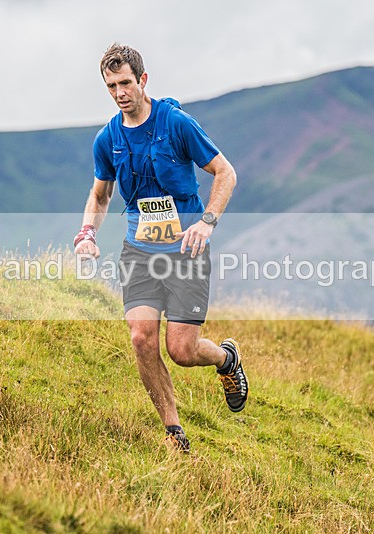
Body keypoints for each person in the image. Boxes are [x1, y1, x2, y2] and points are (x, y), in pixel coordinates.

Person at [73, 43, 248, 452]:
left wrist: (207, 222)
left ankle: (227, 360)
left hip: (185, 252)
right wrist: (87, 233)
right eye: (111, 85)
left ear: (143, 80)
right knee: (141, 338)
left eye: (126, 83)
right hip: (139, 251)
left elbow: (225, 172)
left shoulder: (176, 124)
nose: (119, 92)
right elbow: (100, 196)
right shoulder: (107, 139)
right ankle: (174, 432)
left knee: (182, 350)